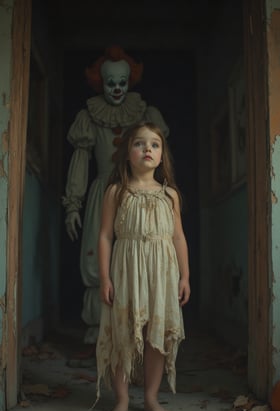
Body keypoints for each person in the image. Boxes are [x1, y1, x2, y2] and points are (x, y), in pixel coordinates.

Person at [62, 46, 169, 360]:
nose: (118, 89)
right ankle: (99, 326)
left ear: (130, 81)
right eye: (111, 83)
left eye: (122, 81)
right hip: (104, 192)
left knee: (139, 256)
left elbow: (157, 155)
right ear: (100, 83)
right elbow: (80, 161)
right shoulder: (89, 116)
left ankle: (140, 325)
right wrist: (73, 204)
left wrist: (161, 195)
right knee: (99, 257)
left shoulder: (144, 113)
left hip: (139, 193)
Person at [96, 122, 190, 411]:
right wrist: (105, 277)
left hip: (162, 273)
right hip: (127, 270)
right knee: (124, 331)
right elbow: (106, 235)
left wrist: (185, 277)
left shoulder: (170, 195)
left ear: (162, 157)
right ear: (127, 154)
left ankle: (150, 397)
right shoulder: (116, 191)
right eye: (139, 144)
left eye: (154, 145)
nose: (147, 149)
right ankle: (122, 400)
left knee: (156, 335)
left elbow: (178, 237)